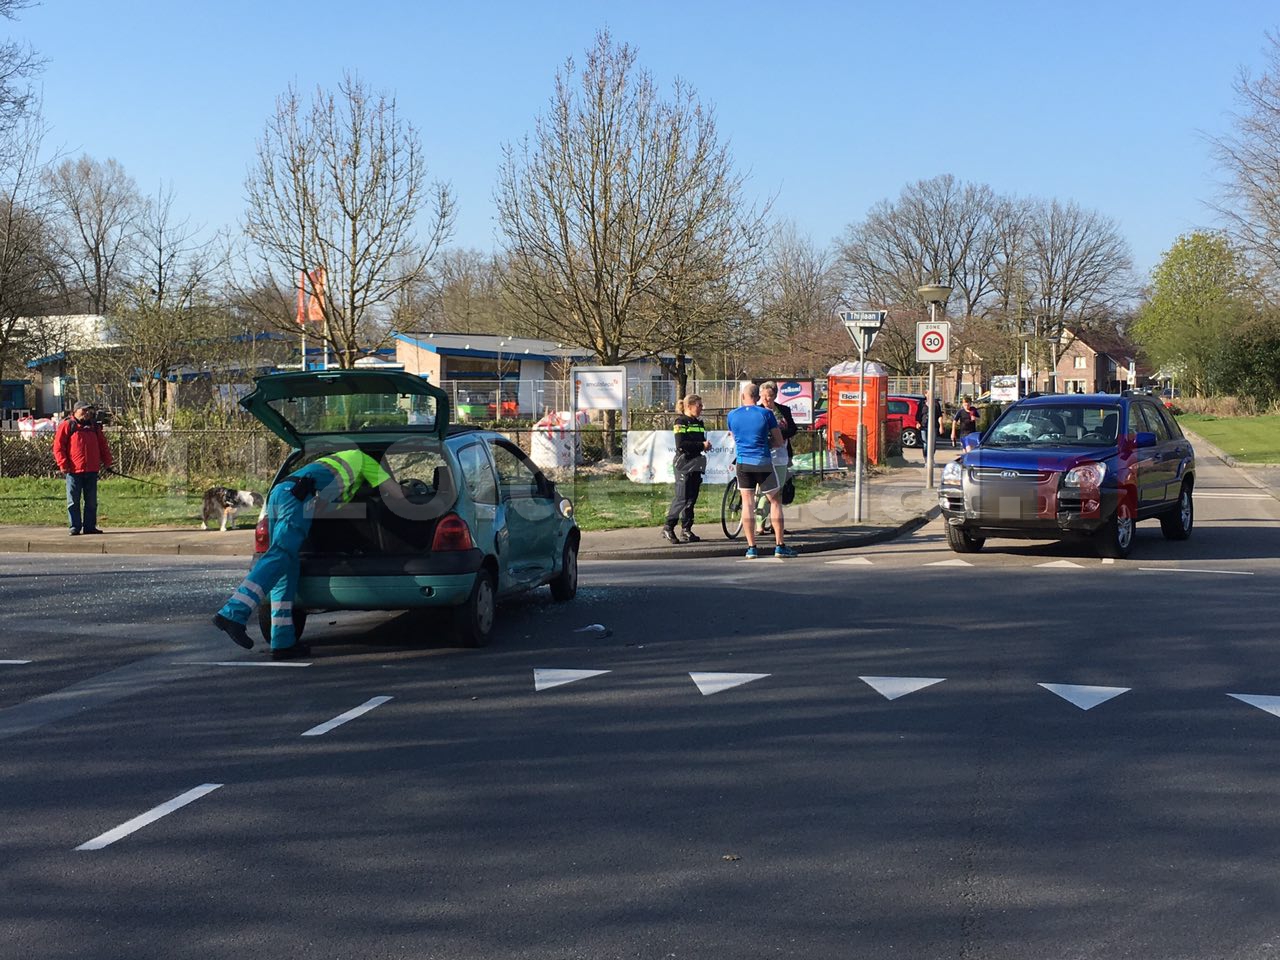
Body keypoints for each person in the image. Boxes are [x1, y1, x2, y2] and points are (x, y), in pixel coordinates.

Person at [212, 449, 392, 659]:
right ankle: (232, 613)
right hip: (296, 496)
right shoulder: (366, 460)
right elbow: (395, 493)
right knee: (279, 555)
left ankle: (282, 642)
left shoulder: (337, 461)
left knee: (287, 567)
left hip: (282, 493)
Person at [727, 381, 796, 559]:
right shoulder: (766, 414)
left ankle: (751, 548)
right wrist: (766, 444)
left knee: (748, 503)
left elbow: (735, 438)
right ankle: (780, 545)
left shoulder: (732, 415)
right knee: (774, 500)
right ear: (758, 397)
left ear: (743, 397)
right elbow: (779, 440)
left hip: (742, 463)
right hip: (763, 461)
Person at [53, 401, 113, 536]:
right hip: (73, 471)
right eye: (84, 411)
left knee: (91, 501)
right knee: (73, 501)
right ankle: (75, 526)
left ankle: (90, 526)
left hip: (92, 470)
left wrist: (107, 462)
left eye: (89, 411)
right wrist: (63, 464)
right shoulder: (68, 425)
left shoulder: (94, 427)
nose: (87, 414)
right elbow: (58, 447)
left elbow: (103, 446)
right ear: (76, 411)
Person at [661, 393, 712, 544]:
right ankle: (668, 527)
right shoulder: (680, 422)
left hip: (696, 463)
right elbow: (681, 444)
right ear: (689, 406)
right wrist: (701, 445)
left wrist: (705, 445)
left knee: (692, 498)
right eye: (699, 405)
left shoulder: (698, 423)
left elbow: (699, 441)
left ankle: (686, 528)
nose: (701, 408)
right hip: (684, 463)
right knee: (682, 497)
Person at [758, 381, 797, 509]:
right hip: (765, 454)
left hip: (782, 454)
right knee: (768, 492)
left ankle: (774, 523)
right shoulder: (758, 411)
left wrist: (779, 435)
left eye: (767, 395)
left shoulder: (783, 410)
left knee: (778, 489)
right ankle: (760, 526)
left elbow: (793, 429)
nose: (764, 399)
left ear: (774, 395)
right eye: (762, 395)